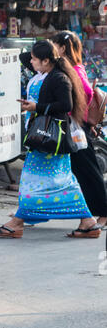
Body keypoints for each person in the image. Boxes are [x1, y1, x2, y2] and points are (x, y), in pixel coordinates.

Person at [0, 39, 101, 239]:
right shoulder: (47, 74)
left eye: (35, 59)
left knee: (34, 182)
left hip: (50, 140)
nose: (30, 62)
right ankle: (88, 222)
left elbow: (65, 106)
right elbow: (25, 59)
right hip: (42, 139)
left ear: (46, 60)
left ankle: (17, 223)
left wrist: (36, 107)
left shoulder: (59, 78)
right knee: (56, 182)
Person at [52, 30, 107, 228]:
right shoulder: (70, 68)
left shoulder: (74, 69)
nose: (52, 47)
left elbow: (85, 92)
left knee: (88, 170)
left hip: (76, 127)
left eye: (54, 44)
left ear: (63, 47)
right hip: (71, 125)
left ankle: (104, 212)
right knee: (75, 171)